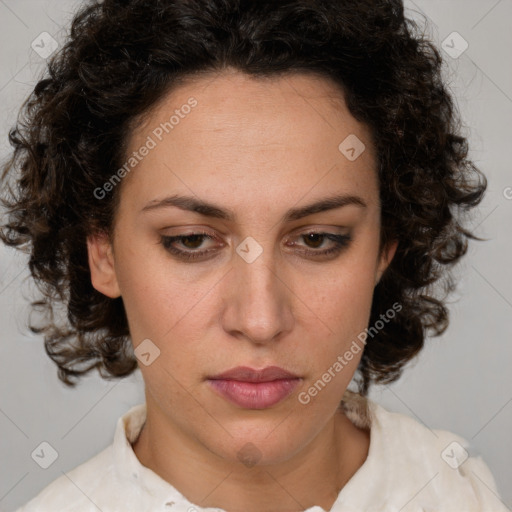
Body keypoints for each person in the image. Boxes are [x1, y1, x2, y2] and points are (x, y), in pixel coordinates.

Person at [0, 0, 507, 510]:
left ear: (385, 248)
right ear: (103, 253)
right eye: (192, 241)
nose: (261, 320)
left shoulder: (462, 494)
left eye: (318, 239)